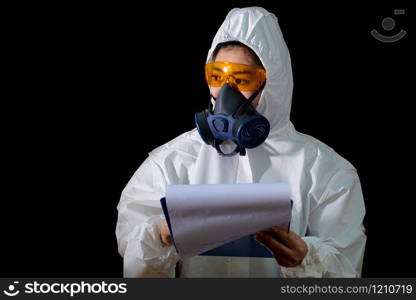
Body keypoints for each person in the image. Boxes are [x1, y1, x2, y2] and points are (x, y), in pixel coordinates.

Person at [115, 7, 366, 278]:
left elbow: (346, 269)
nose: (226, 92)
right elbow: (135, 265)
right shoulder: (171, 161)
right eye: (217, 76)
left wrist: (305, 258)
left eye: (243, 79)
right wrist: (159, 235)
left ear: (274, 83)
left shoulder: (323, 168)